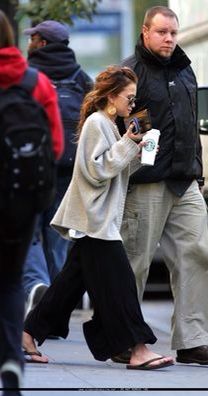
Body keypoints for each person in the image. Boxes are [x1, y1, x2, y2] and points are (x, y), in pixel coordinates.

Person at [23, 65, 174, 370]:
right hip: (96, 220)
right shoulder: (96, 123)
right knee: (121, 286)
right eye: (129, 99)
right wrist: (128, 144)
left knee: (67, 287)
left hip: (99, 219)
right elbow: (96, 171)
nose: (132, 105)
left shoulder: (109, 125)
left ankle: (26, 335)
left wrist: (138, 151)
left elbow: (113, 172)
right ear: (112, 95)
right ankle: (138, 348)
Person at [117, 5, 208, 365]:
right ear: (146, 32)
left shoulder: (185, 71)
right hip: (146, 182)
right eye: (162, 32)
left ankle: (192, 341)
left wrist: (197, 170)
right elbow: (122, 127)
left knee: (197, 256)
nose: (168, 39)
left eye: (173, 33)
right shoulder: (130, 71)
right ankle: (124, 340)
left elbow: (191, 122)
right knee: (136, 262)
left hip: (185, 181)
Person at [0, 10, 63, 394]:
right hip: (20, 202)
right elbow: (54, 146)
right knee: (9, 284)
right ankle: (10, 358)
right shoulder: (35, 81)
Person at [22, 20, 93, 316]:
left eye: (32, 38)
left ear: (40, 42)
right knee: (58, 234)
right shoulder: (81, 77)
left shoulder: (29, 75)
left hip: (33, 163)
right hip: (70, 165)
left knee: (29, 230)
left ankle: (38, 285)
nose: (29, 42)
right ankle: (55, 308)